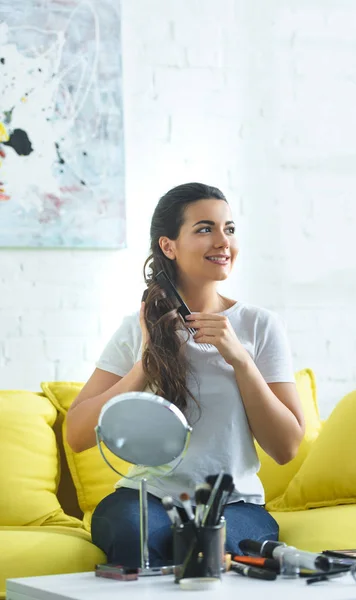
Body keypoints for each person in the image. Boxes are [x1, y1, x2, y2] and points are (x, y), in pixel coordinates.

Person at [66, 182, 305, 568]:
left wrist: (240, 360)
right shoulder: (137, 328)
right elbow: (77, 434)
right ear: (168, 246)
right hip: (147, 498)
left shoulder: (259, 326)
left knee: (216, 548)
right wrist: (146, 363)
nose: (222, 241)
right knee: (138, 537)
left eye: (228, 228)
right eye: (204, 228)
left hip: (234, 501)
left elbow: (286, 447)